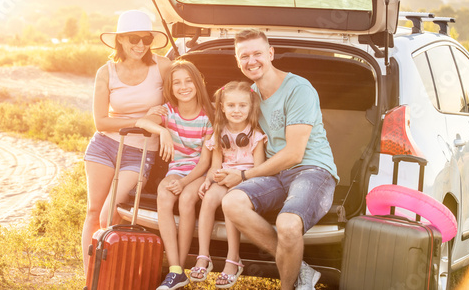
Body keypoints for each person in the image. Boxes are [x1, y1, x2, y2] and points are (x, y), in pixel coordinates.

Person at [219, 29, 339, 290]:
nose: (251, 61)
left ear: (270, 53)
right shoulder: (249, 95)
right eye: (244, 56)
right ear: (238, 61)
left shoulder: (299, 89)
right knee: (232, 202)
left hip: (312, 169)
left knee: (288, 224)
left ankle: (288, 286)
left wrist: (244, 176)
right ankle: (301, 268)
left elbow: (295, 153)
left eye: (257, 54)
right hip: (275, 175)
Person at [81, 10, 171, 276]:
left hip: (140, 152)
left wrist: (155, 125)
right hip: (104, 146)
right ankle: (92, 278)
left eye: (146, 39)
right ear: (120, 40)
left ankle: (109, 273)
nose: (140, 45)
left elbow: (176, 103)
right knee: (94, 211)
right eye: (134, 38)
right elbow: (101, 122)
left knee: (111, 214)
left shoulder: (163, 66)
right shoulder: (106, 71)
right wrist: (142, 120)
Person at [135, 60, 215, 290]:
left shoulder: (208, 115)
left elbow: (206, 161)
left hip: (201, 171)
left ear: (198, 82)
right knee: (163, 193)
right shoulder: (168, 111)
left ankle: (180, 267)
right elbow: (142, 121)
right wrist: (162, 130)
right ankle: (176, 270)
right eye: (177, 82)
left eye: (188, 81)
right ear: (170, 87)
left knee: (188, 198)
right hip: (177, 170)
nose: (183, 86)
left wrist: (185, 182)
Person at [189, 81, 266, 288]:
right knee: (208, 201)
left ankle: (233, 259)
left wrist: (239, 178)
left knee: (230, 205)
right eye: (231, 105)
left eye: (242, 106)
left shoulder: (256, 136)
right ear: (222, 107)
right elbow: (215, 166)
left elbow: (259, 170)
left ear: (251, 107)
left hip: (246, 180)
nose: (237, 110)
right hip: (224, 178)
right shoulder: (218, 133)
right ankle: (203, 256)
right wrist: (208, 180)